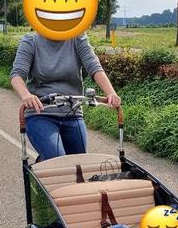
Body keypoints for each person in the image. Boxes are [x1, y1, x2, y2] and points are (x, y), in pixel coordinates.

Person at [10, 32, 121, 160]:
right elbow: (17, 74)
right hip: (41, 113)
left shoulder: (77, 38)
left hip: (72, 113)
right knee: (57, 158)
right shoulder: (31, 41)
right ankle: (46, 168)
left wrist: (111, 92)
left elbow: (94, 66)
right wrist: (26, 95)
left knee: (79, 163)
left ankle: (47, 166)